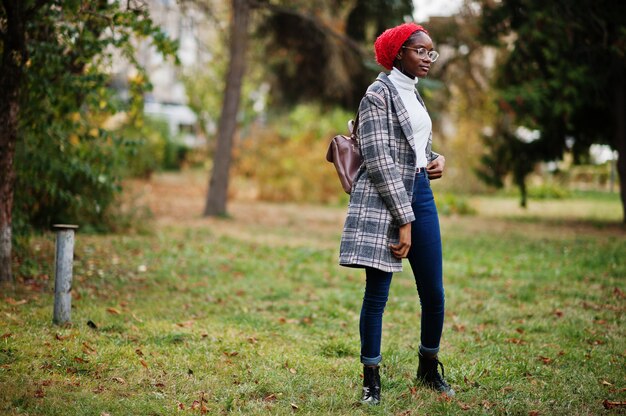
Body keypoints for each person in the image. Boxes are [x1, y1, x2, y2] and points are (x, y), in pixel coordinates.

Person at [338, 22, 454, 404]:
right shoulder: (378, 94)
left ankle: (427, 368)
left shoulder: (414, 95)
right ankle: (371, 381)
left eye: (430, 52)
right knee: (377, 295)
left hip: (420, 191)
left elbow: (413, 146)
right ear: (398, 52)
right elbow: (378, 159)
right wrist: (403, 219)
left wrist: (434, 160)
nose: (427, 58)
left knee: (434, 293)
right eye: (420, 50)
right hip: (384, 199)